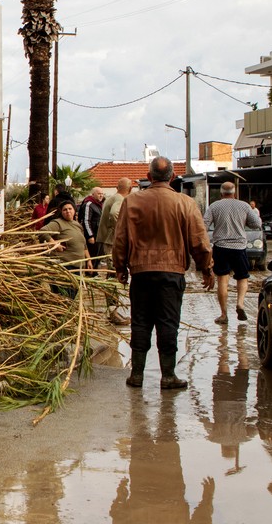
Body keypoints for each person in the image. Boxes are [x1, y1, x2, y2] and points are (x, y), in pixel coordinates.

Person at [113, 156, 214, 390]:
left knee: (140, 322)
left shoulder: (132, 202)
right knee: (168, 323)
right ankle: (168, 375)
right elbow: (199, 241)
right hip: (171, 273)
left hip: (141, 272)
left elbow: (120, 240)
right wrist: (206, 268)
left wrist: (120, 268)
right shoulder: (185, 203)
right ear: (171, 177)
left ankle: (136, 374)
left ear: (148, 177)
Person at [203, 182, 262, 325]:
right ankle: (240, 304)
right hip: (239, 247)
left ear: (221, 193)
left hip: (221, 247)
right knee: (242, 277)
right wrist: (243, 221)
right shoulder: (244, 206)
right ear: (234, 193)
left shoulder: (214, 206)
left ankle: (224, 315)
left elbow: (203, 225)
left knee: (223, 280)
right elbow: (257, 224)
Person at [97, 177, 134, 325]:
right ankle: (113, 312)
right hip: (112, 241)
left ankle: (114, 311)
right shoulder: (120, 199)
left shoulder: (113, 197)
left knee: (112, 275)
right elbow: (114, 214)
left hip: (109, 240)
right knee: (113, 275)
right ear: (130, 189)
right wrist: (122, 229)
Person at [40, 201, 91, 296]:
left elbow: (83, 244)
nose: (68, 211)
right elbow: (43, 231)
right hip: (65, 265)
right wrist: (54, 244)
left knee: (73, 293)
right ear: (61, 212)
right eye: (65, 210)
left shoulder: (77, 225)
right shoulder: (58, 223)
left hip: (78, 266)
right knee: (64, 294)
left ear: (74, 210)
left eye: (70, 209)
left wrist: (88, 260)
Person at [77, 187, 104, 272]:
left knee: (98, 255)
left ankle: (94, 271)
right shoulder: (89, 204)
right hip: (92, 234)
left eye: (102, 194)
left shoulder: (99, 204)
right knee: (92, 255)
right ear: (93, 194)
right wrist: (90, 235)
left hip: (99, 234)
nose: (101, 195)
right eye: (99, 193)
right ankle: (90, 272)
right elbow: (86, 220)